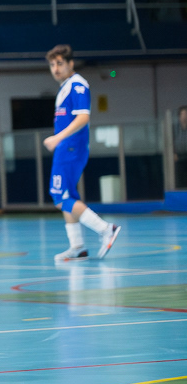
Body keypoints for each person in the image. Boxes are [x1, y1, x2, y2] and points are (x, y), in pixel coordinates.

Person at [44, 45, 121, 264]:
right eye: (52, 64)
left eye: (60, 63)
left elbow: (83, 117)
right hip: (67, 148)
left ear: (70, 64)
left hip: (70, 147)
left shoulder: (77, 85)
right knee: (67, 195)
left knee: (59, 197)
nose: (55, 68)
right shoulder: (65, 88)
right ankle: (77, 247)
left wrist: (57, 138)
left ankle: (106, 229)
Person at [174, 106, 187, 190]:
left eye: (186, 114)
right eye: (183, 114)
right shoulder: (174, 128)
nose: (185, 116)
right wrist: (173, 153)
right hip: (178, 157)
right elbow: (169, 141)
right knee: (179, 180)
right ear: (179, 116)